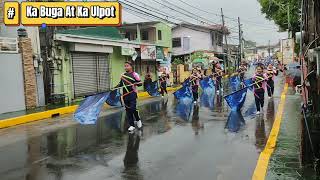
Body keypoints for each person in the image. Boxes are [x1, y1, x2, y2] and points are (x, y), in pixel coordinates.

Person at [115, 62, 143, 133]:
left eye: (127, 66)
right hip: (125, 95)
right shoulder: (123, 75)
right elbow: (120, 84)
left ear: (131, 67)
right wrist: (114, 88)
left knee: (133, 108)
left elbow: (140, 83)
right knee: (128, 110)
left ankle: (138, 119)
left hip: (132, 94)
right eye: (125, 66)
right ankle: (132, 125)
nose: (126, 67)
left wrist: (137, 83)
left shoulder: (135, 74)